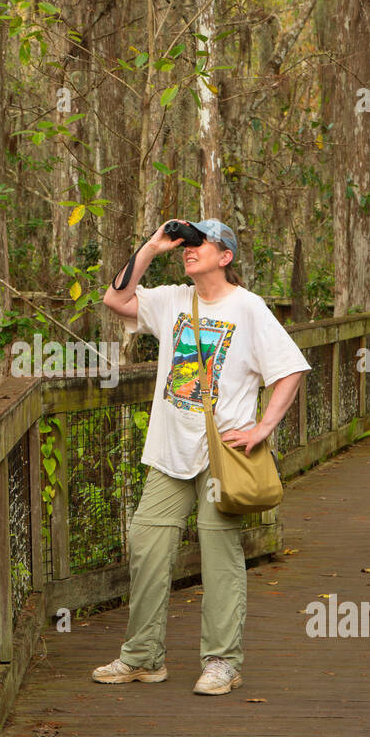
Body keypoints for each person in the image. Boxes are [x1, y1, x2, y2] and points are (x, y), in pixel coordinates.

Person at [95, 218, 310, 695]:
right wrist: (152, 246)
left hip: (222, 455)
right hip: (170, 451)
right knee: (147, 546)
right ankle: (143, 657)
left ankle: (221, 663)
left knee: (219, 556)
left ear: (226, 256)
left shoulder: (249, 308)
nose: (189, 250)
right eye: (186, 244)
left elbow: (290, 368)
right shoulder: (172, 299)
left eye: (200, 244)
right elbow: (116, 299)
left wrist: (263, 427)